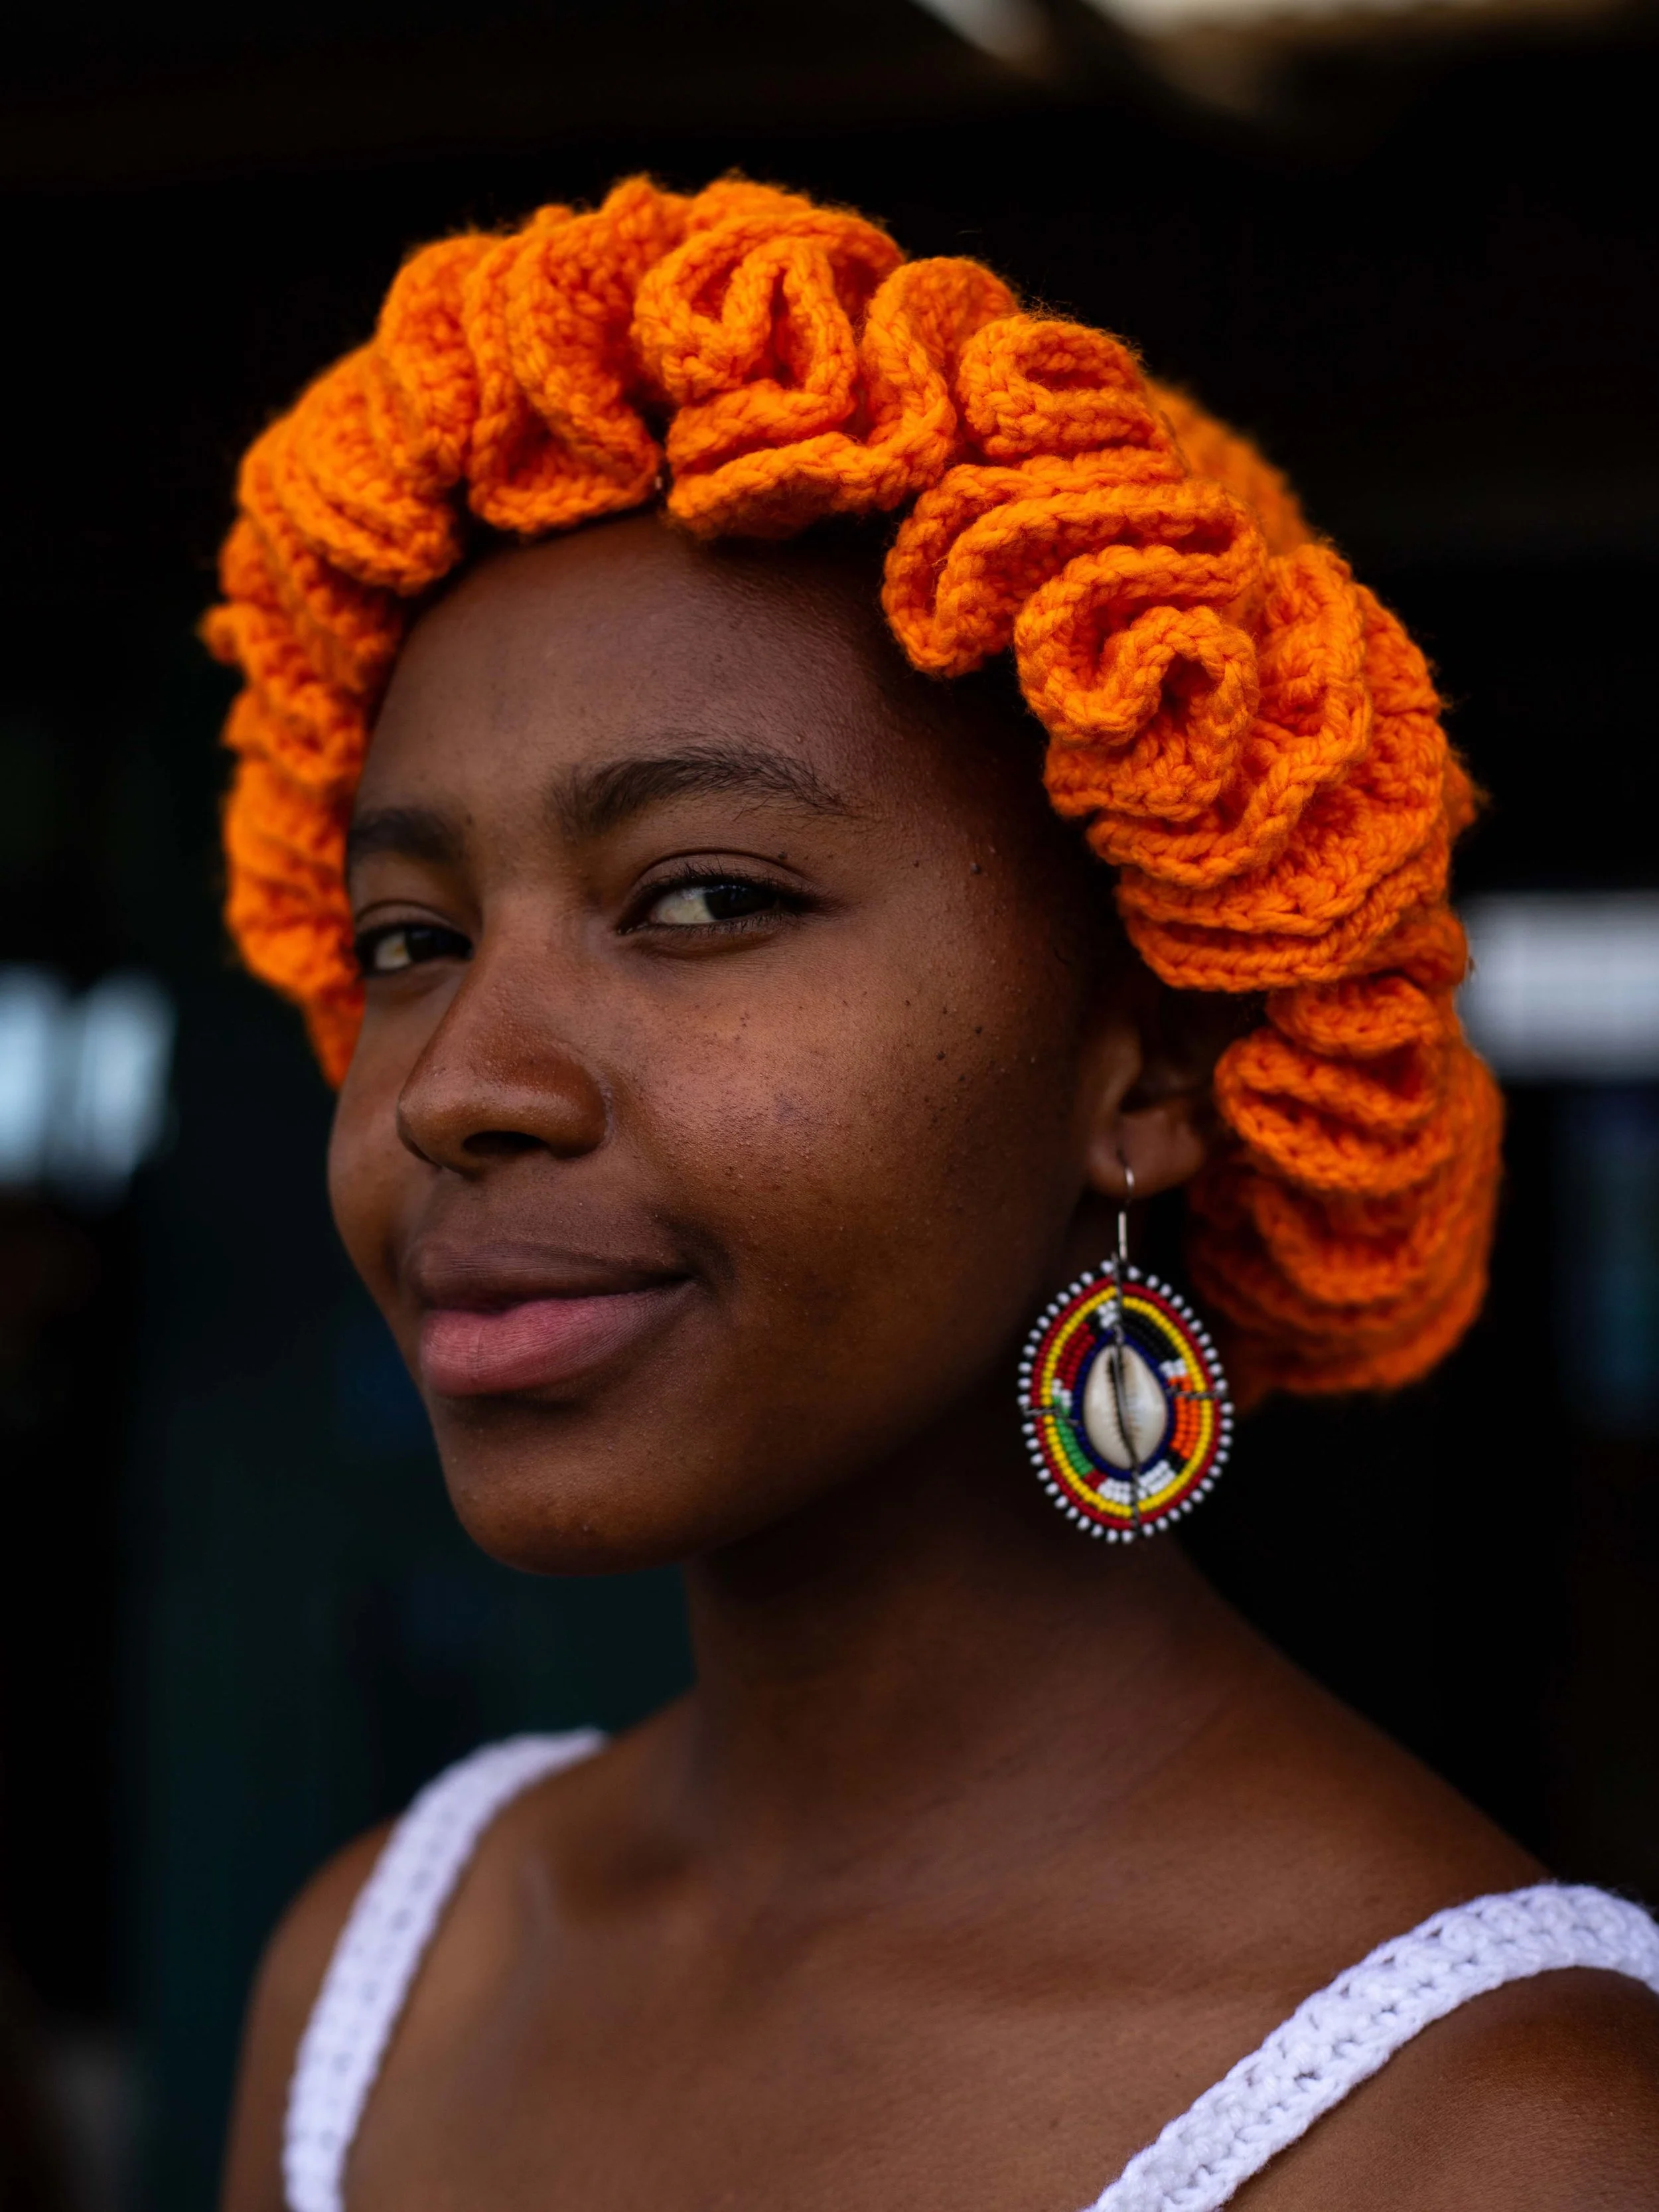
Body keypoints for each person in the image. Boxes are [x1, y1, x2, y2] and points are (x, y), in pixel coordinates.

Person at [207, 179, 1659, 2212]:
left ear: (1142, 1063)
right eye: (410, 938)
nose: (458, 1087)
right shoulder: (382, 1983)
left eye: (703, 897)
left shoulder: (1498, 2130)